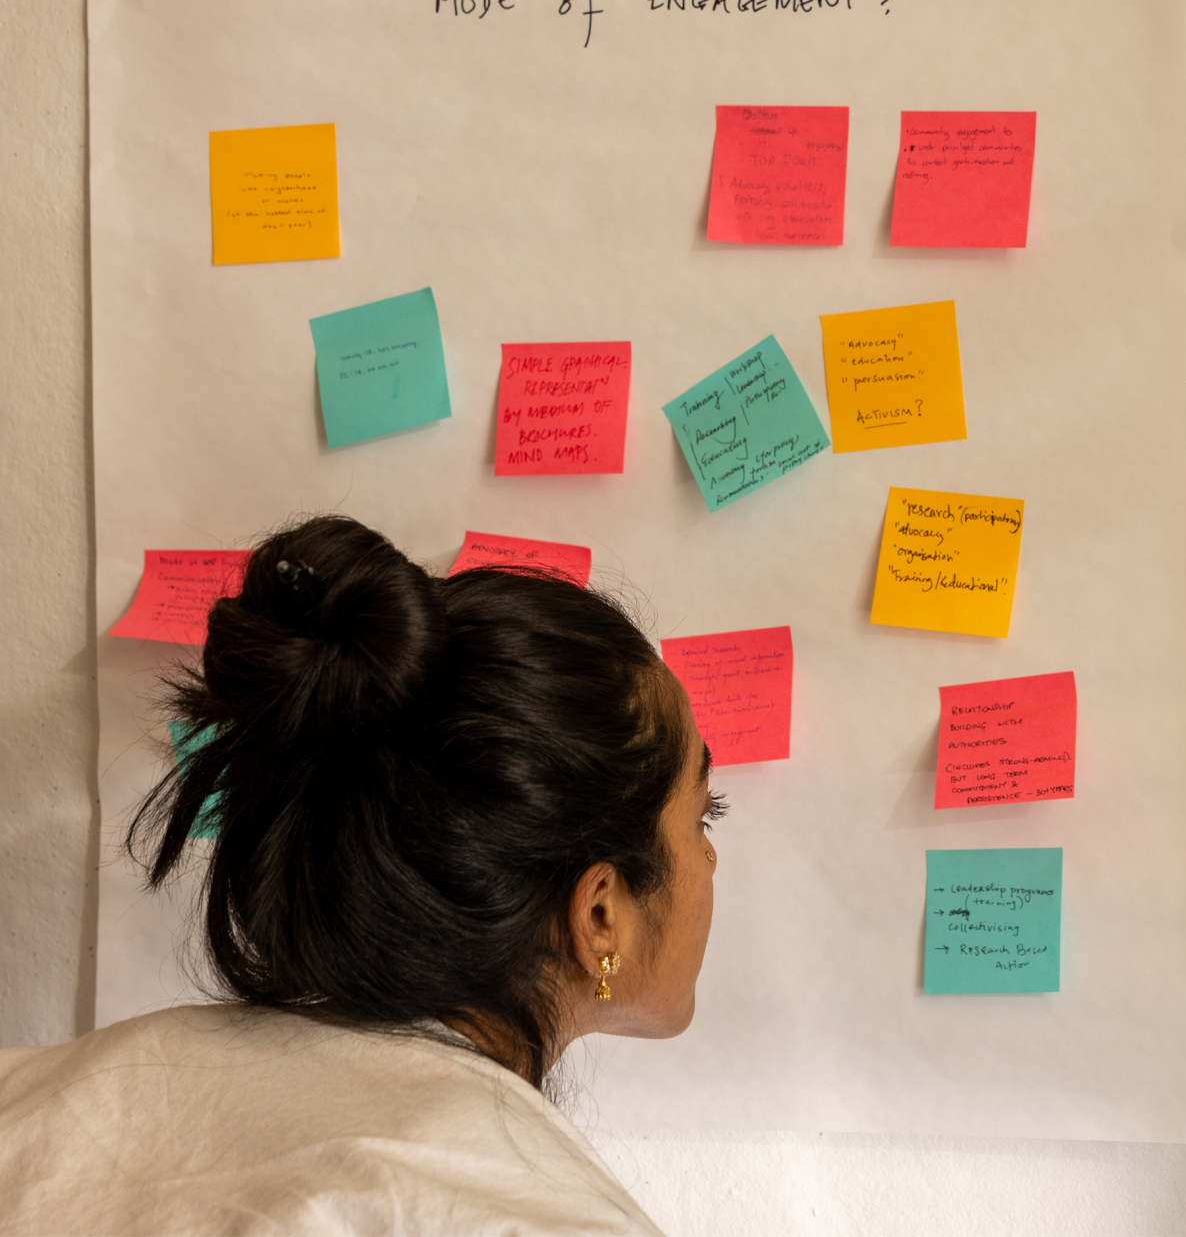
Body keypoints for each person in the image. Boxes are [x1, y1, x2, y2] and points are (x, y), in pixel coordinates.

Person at [0, 514, 724, 1235]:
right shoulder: (533, 1219)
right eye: (702, 816)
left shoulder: (31, 1095)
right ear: (599, 915)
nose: (712, 856)